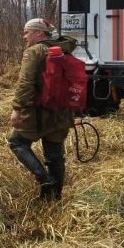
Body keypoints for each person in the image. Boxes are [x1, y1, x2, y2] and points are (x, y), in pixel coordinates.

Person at [8, 18, 76, 201]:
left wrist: (17, 108)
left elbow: (25, 83)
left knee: (17, 142)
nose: (24, 36)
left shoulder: (34, 51)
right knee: (54, 153)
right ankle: (54, 197)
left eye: (27, 32)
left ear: (39, 33)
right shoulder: (63, 49)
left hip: (38, 112)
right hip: (62, 111)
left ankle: (45, 180)